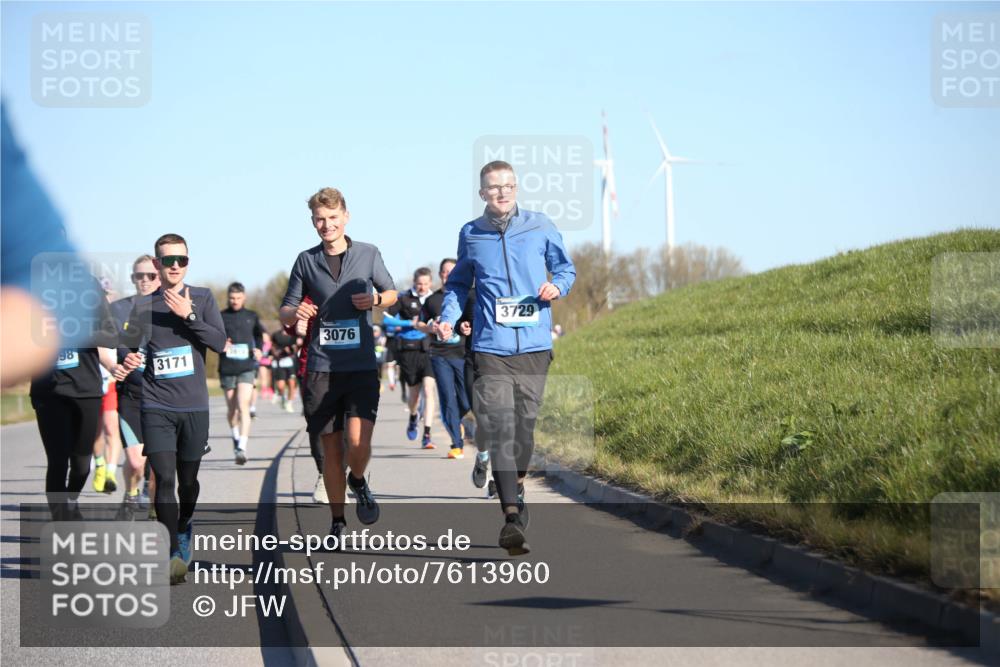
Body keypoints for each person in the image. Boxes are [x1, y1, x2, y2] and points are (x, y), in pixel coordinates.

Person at [435, 160, 576, 556]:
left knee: (524, 430)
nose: (502, 192)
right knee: (499, 427)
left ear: (517, 188)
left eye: (508, 185)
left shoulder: (540, 225)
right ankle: (511, 517)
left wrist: (557, 287)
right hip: (490, 346)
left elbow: (566, 268)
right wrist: (447, 319)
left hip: (533, 344)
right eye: (494, 187)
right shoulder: (471, 233)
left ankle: (516, 485)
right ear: (482, 193)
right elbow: (459, 283)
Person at [279, 187, 397, 544]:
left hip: (360, 365)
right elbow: (285, 308)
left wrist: (376, 299)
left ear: (345, 217)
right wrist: (295, 312)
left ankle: (357, 481)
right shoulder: (305, 260)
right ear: (313, 221)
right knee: (331, 449)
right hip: (320, 367)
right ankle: (337, 521)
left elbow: (392, 293)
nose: (326, 225)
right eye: (319, 219)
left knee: (358, 444)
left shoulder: (368, 253)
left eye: (332, 218)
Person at [120, 233, 227, 584]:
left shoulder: (203, 298)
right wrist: (129, 358)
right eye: (168, 260)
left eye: (182, 260)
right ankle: (170, 554)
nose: (176, 266)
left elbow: (219, 343)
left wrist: (190, 314)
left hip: (194, 405)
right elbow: (127, 349)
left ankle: (184, 525)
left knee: (188, 483)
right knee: (163, 478)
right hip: (156, 405)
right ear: (156, 264)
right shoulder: (143, 307)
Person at [30, 276, 119, 520]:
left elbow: (111, 335)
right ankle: (60, 523)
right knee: (57, 461)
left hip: (86, 389)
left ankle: (71, 500)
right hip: (47, 390)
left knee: (81, 465)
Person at [110, 255, 160, 516]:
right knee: (136, 461)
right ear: (132, 278)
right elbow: (105, 344)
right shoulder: (119, 309)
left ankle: (153, 514)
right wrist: (115, 364)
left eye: (150, 275)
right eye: (139, 276)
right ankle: (130, 494)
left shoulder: (169, 308)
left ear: (159, 276)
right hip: (131, 394)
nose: (144, 281)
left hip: (163, 398)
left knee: (158, 465)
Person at [417, 259, 471, 460]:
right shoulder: (432, 300)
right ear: (440, 275)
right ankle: (457, 444)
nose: (448, 275)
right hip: (439, 354)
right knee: (448, 398)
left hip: (462, 353)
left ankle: (456, 421)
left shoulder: (464, 296)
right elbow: (419, 323)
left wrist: (467, 326)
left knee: (466, 399)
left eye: (452, 271)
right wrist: (430, 327)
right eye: (445, 272)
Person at [386, 268, 437, 449]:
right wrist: (408, 323)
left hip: (429, 349)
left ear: (430, 283)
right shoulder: (404, 298)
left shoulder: (435, 299)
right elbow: (386, 320)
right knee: (414, 395)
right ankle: (414, 415)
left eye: (425, 284)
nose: (422, 287)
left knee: (429, 390)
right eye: (419, 284)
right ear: (414, 283)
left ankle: (427, 435)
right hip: (409, 351)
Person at [219, 282, 265, 465]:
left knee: (243, 405)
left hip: (246, 367)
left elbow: (259, 336)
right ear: (228, 298)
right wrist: (221, 343)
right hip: (227, 368)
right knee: (232, 410)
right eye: (232, 298)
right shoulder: (221, 316)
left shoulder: (251, 316)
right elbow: (213, 336)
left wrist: (259, 349)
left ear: (244, 297)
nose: (235, 301)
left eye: (238, 298)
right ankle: (235, 435)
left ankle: (242, 447)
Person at [270, 328, 298, 413]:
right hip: (280, 362)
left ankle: (289, 403)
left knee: (291, 384)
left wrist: (291, 350)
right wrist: (275, 352)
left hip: (289, 362)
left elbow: (296, 347)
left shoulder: (294, 334)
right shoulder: (276, 334)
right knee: (280, 386)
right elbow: (272, 346)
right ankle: (283, 397)